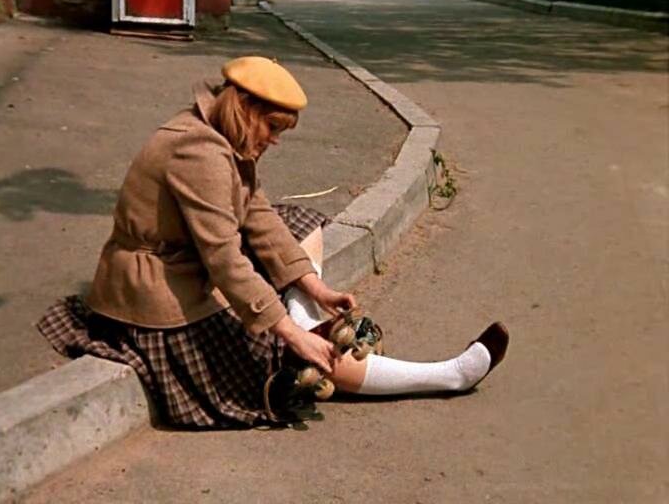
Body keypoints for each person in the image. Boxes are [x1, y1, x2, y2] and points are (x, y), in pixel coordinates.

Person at [37, 56, 508, 429]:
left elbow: (257, 215)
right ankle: (447, 376)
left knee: (299, 223)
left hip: (186, 264)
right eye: (274, 127)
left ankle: (307, 318)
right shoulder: (199, 153)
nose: (276, 141)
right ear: (245, 108)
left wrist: (313, 287)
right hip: (157, 294)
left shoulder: (220, 134)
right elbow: (224, 259)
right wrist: (288, 331)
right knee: (294, 357)